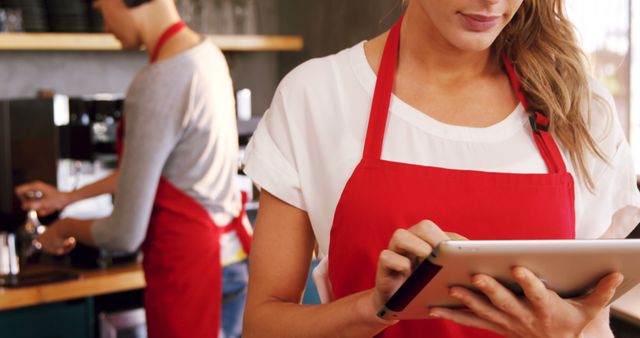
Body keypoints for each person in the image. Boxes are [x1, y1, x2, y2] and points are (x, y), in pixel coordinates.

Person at [241, 0, 640, 337]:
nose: (491, 1)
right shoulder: (315, 96)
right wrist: (377, 306)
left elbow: (593, 320)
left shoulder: (578, 106)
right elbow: (263, 324)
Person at [15, 1, 251, 337]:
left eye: (101, 10)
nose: (105, 26)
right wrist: (67, 197)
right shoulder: (207, 55)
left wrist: (64, 227)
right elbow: (162, 169)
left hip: (188, 270)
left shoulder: (158, 80)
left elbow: (125, 234)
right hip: (229, 260)